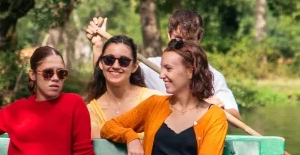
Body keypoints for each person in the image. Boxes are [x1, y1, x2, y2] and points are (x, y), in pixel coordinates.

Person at [101, 39, 230, 155]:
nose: (161, 75)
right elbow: (109, 127)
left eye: (168, 69)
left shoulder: (215, 115)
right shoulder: (154, 105)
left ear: (190, 71)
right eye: (162, 68)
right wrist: (130, 137)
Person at [86, 9, 241, 121]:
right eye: (178, 39)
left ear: (200, 37)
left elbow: (235, 118)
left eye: (190, 40)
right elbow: (108, 77)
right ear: (168, 35)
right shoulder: (148, 67)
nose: (184, 46)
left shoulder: (213, 76)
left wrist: (210, 108)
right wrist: (98, 45)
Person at [85, 35, 160, 155]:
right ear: (100, 63)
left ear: (134, 67)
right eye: (109, 60)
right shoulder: (90, 111)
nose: (116, 65)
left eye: (124, 61)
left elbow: (184, 107)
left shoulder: (153, 99)